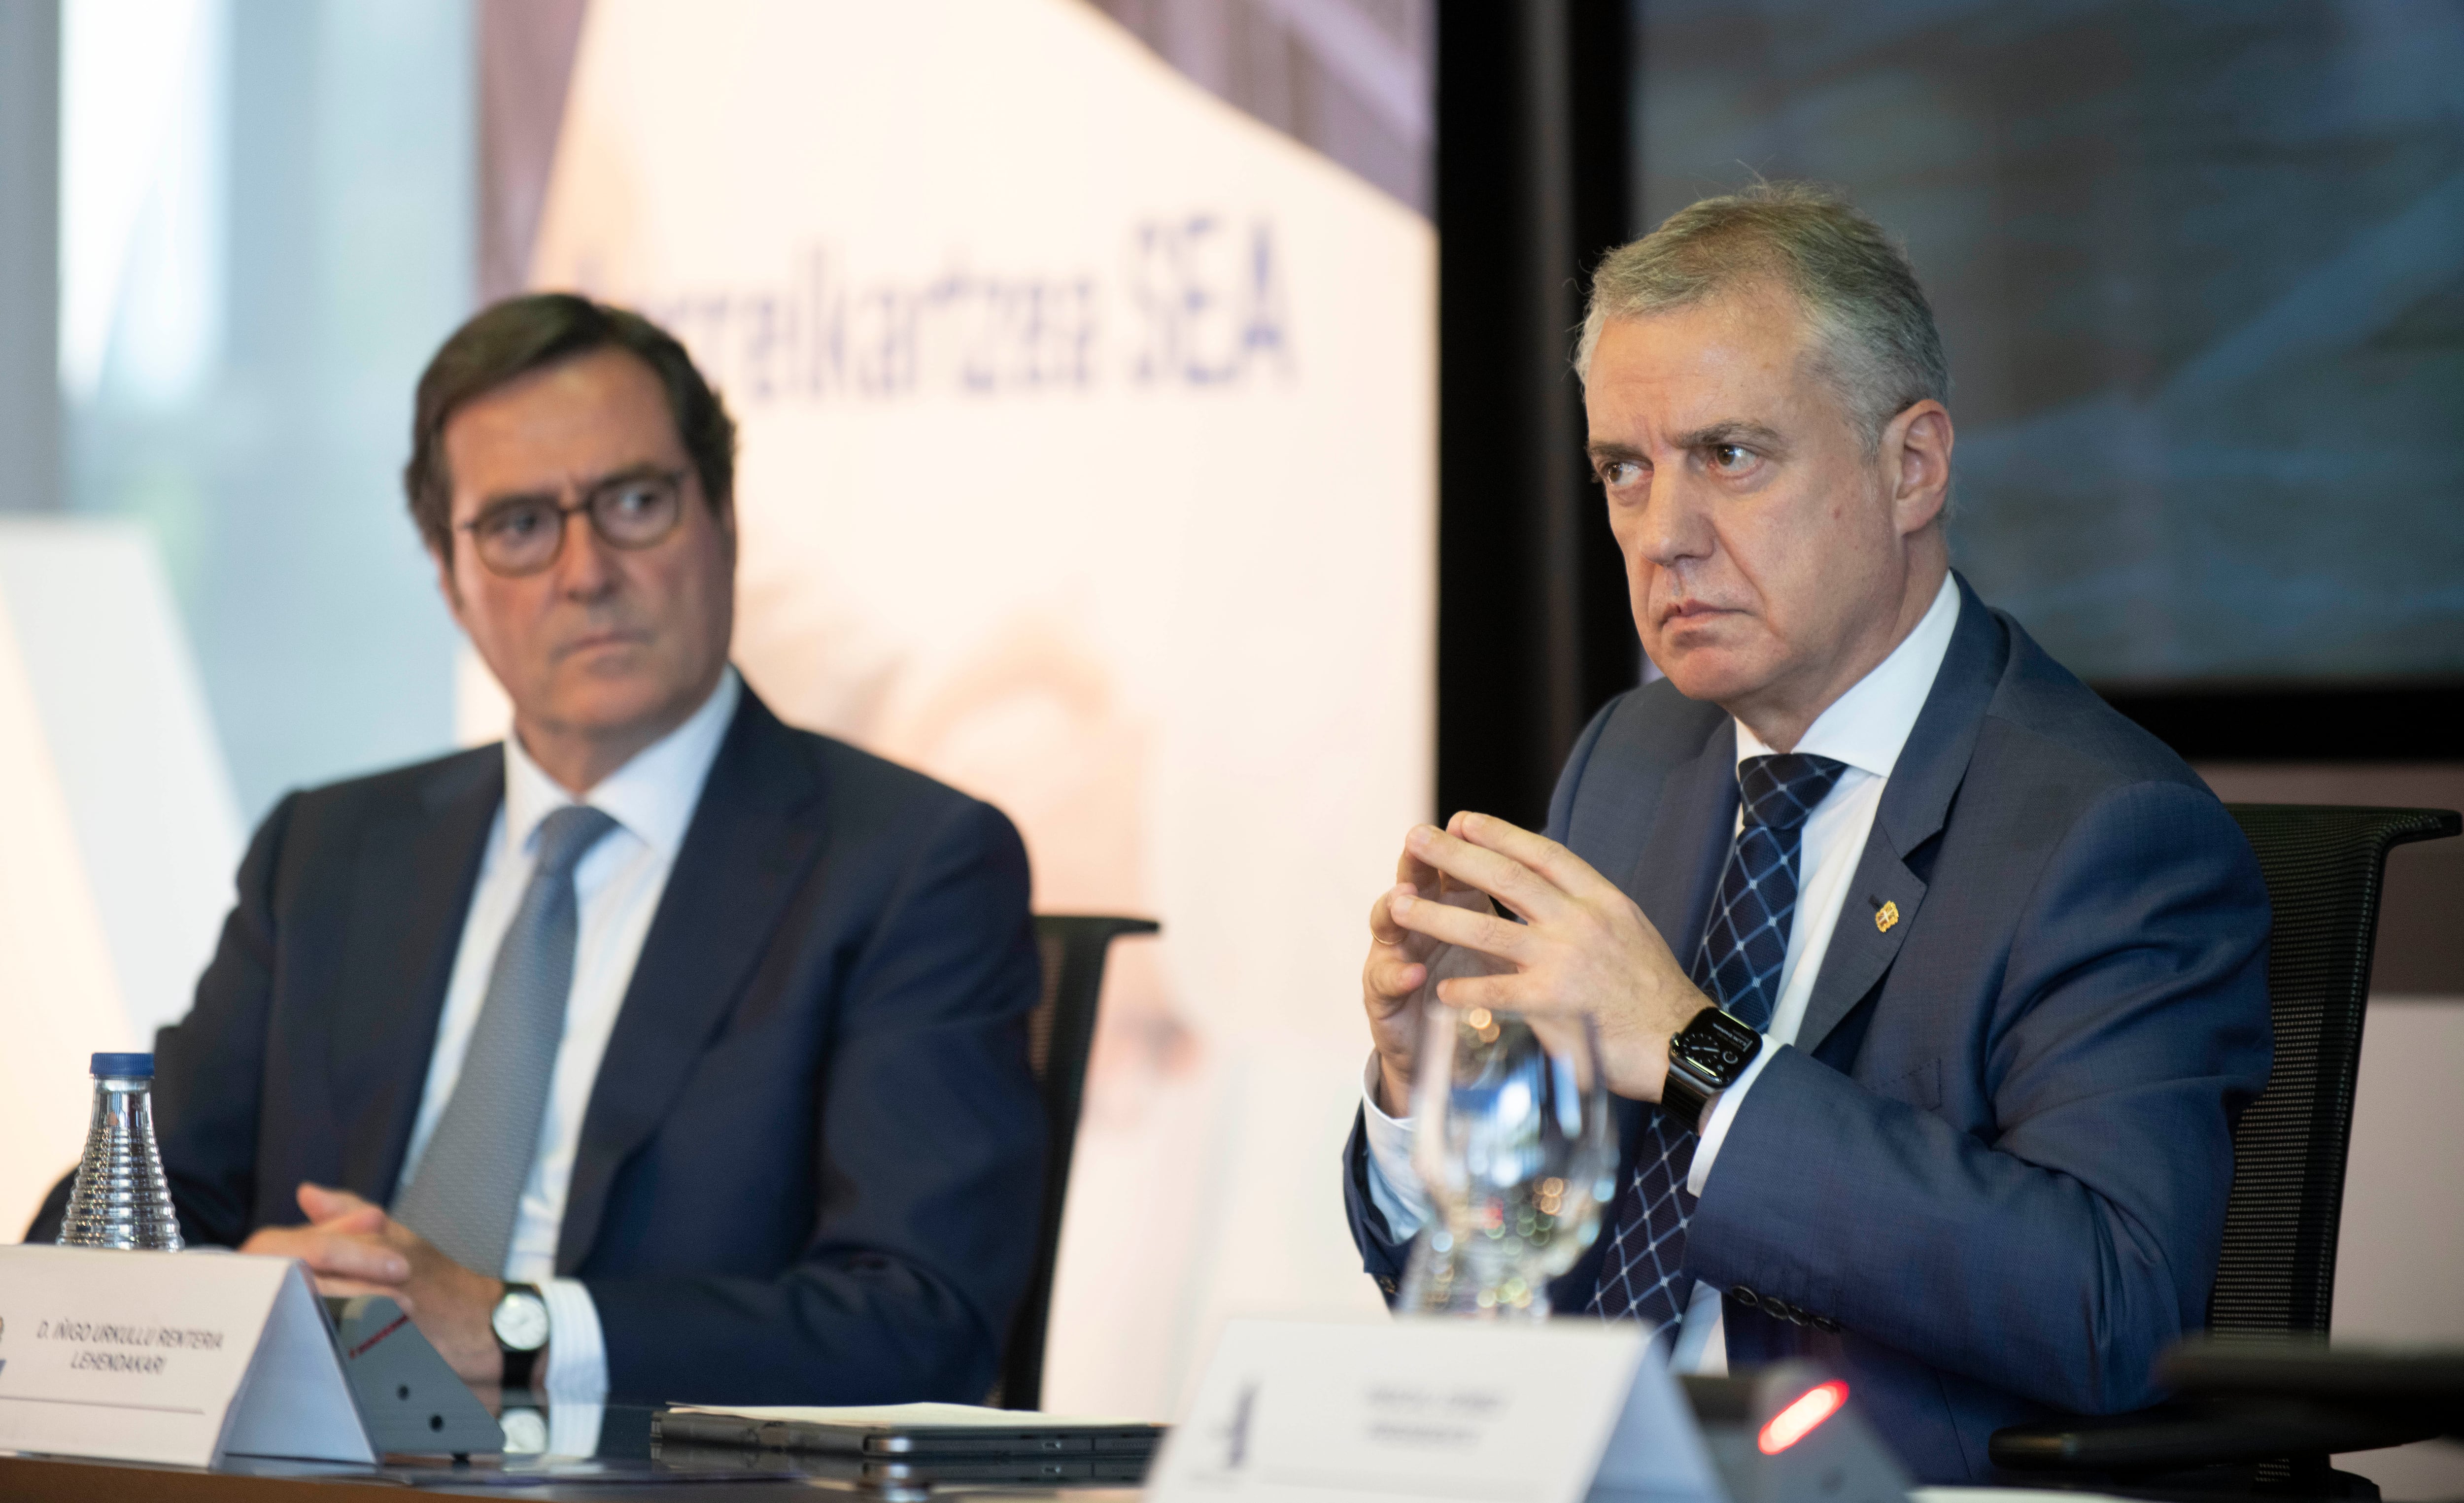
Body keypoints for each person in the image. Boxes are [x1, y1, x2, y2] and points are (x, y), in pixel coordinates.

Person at [1342, 185, 2272, 1483]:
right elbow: (1506, 1288)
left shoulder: (2107, 833)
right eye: (1625, 469)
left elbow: (2114, 1310)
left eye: (1731, 456)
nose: (1664, 536)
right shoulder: (1629, 760)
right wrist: (1428, 1101)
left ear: (1912, 467)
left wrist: (1693, 1052)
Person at [30, 295, 1047, 1417]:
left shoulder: (910, 865)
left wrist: (518, 1328)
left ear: (722, 516)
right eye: (519, 525)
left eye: (634, 503)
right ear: (447, 574)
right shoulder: (327, 854)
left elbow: (921, 1320)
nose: (584, 571)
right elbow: (92, 1238)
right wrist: (242, 1297)